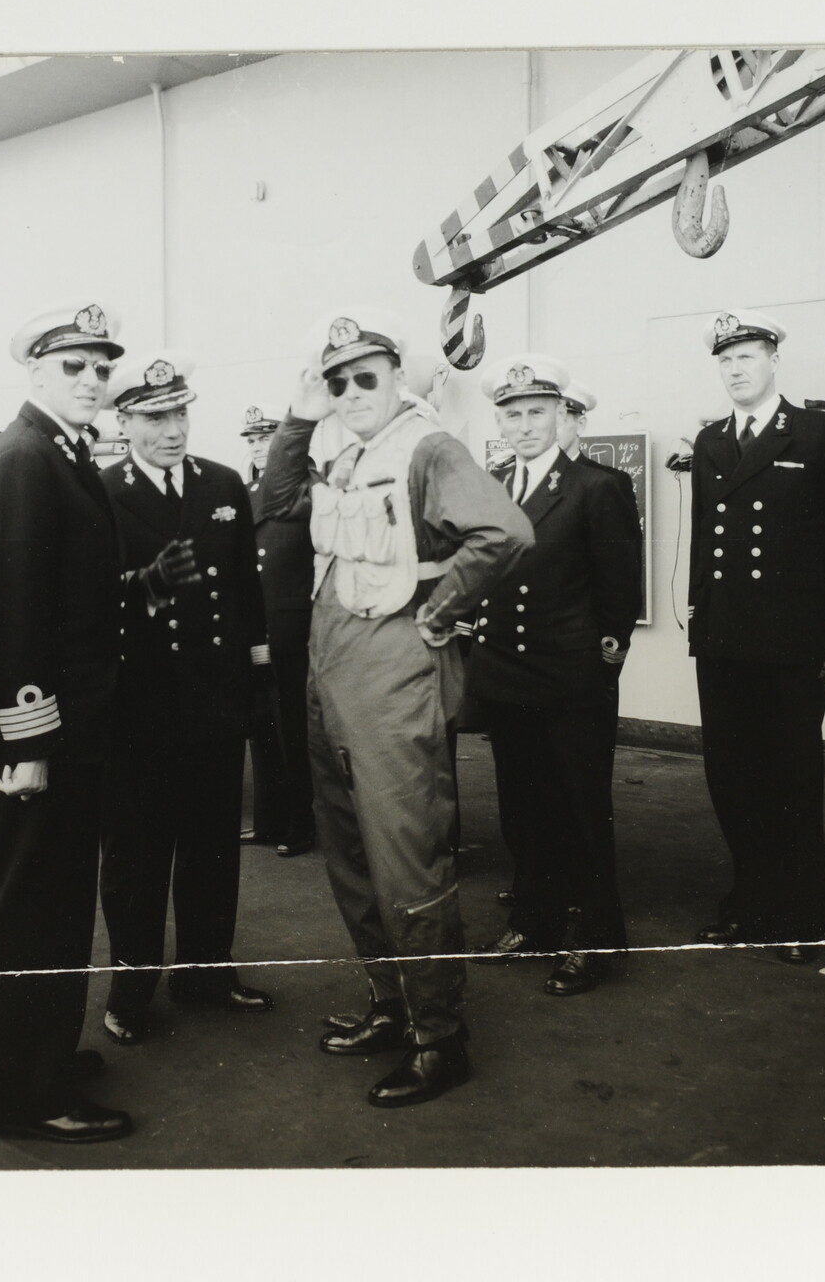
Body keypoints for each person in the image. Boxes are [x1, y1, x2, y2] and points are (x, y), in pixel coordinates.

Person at [267, 308, 531, 1108]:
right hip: (331, 668)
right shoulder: (343, 450)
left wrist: (441, 610)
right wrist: (300, 413)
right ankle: (392, 1002)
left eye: (364, 378)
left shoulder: (428, 446)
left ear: (396, 378)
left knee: (406, 857)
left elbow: (505, 533)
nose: (349, 391)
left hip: (392, 675)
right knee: (348, 854)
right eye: (336, 379)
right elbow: (275, 500)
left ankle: (439, 1035)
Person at [0, 300, 145, 1144]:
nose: (92, 380)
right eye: (73, 366)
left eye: (102, 367)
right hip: (43, 732)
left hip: (76, 725)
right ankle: (27, 1098)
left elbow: (71, 591)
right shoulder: (26, 457)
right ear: (36, 373)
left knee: (61, 902)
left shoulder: (58, 451)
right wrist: (27, 744)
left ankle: (45, 1056)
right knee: (39, 910)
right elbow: (10, 610)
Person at [96, 352, 276, 1046]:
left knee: (212, 848)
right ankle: (131, 988)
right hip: (139, 709)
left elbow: (246, 596)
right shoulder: (101, 491)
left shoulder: (224, 484)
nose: (172, 429)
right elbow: (82, 603)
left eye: (179, 413)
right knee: (137, 855)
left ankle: (206, 973)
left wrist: (255, 680)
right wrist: (142, 584)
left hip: (212, 702)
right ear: (126, 421)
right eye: (154, 416)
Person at [686, 309, 825, 963]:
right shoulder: (712, 441)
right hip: (724, 638)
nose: (735, 370)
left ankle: (800, 917)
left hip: (793, 641)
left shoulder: (822, 434)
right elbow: (705, 537)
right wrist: (697, 617)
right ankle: (751, 903)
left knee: (790, 780)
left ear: (773, 361)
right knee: (731, 777)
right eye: (725, 360)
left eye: (747, 357)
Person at [462, 355, 642, 995]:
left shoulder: (598, 486)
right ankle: (534, 923)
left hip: (568, 679)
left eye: (536, 411)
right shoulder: (494, 482)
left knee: (581, 812)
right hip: (506, 677)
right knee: (522, 809)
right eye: (512, 414)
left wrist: (601, 670)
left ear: (561, 414)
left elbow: (621, 595)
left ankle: (596, 940)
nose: (524, 425)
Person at [245, 405, 318, 859]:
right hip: (256, 629)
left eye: (265, 439)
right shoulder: (246, 490)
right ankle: (269, 821)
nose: (256, 446)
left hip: (295, 630)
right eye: (250, 440)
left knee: (295, 731)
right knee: (262, 728)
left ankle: (301, 824)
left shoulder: (312, 490)